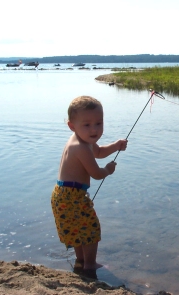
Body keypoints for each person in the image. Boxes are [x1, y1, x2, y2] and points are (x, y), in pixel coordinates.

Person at [51, 95, 128, 279]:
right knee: (91, 230)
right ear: (72, 125)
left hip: (63, 194)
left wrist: (116, 146)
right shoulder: (80, 147)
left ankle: (81, 261)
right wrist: (108, 170)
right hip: (72, 196)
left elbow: (99, 151)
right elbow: (96, 173)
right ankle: (90, 265)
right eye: (87, 125)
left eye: (98, 123)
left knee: (78, 229)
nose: (94, 129)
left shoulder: (84, 141)